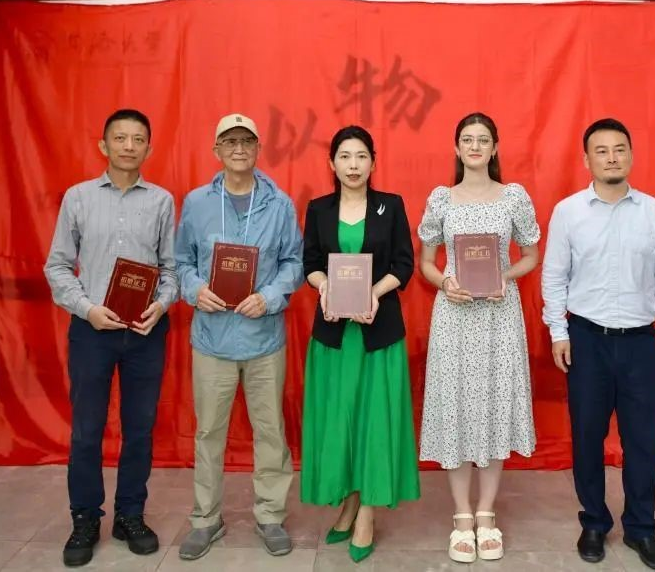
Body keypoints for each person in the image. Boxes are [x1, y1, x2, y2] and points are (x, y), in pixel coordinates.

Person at [540, 118, 655, 571]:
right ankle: (594, 523)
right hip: (587, 339)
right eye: (601, 151)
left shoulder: (652, 211)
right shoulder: (568, 212)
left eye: (619, 149)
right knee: (587, 436)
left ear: (631, 155)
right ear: (586, 160)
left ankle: (641, 529)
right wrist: (558, 331)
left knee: (643, 439)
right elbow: (554, 276)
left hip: (641, 342)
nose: (611, 158)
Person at [44, 108, 177, 567]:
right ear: (104, 145)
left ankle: (130, 515)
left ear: (149, 149)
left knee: (139, 429)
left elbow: (171, 269)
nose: (128, 146)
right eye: (119, 138)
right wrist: (88, 309)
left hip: (145, 332)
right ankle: (85, 518)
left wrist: (161, 305)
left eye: (137, 139)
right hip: (92, 330)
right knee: (87, 429)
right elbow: (57, 266)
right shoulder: (78, 198)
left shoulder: (161, 201)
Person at [175, 113, 304, 560]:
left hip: (263, 338)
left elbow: (294, 262)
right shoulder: (196, 203)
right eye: (229, 141)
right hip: (212, 339)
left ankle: (270, 515)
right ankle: (205, 519)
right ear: (216, 150)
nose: (238, 149)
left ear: (258, 149)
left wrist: (269, 297)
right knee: (209, 432)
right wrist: (195, 289)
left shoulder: (279, 204)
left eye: (246, 141)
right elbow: (181, 261)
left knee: (270, 431)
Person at [416, 112, 541, 563]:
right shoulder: (442, 199)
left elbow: (531, 254)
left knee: (492, 405)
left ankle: (487, 514)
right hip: (454, 316)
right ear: (456, 148)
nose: (474, 146)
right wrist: (443, 282)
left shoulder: (513, 197)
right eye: (467, 139)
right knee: (457, 409)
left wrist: (505, 275)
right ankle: (462, 517)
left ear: (494, 148)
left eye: (483, 139)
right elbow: (426, 262)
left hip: (498, 317)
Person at [299, 125, 421, 563]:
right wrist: (325, 286)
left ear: (373, 162)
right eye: (345, 157)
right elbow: (310, 263)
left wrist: (374, 293)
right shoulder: (318, 209)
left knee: (374, 421)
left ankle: (367, 512)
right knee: (342, 420)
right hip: (335, 335)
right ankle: (349, 503)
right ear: (331, 163)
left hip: (377, 334)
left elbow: (404, 264)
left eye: (361, 156)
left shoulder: (392, 206)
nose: (353, 165)